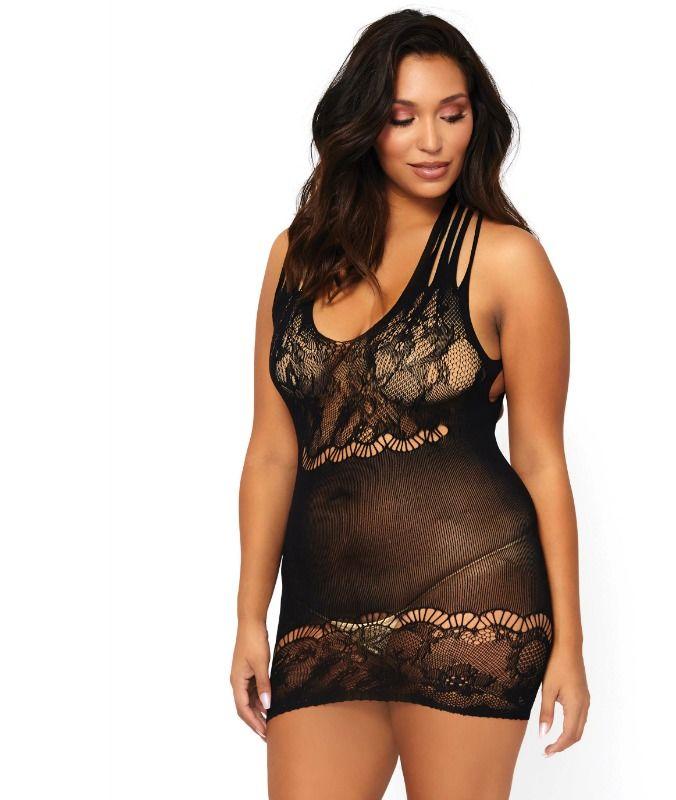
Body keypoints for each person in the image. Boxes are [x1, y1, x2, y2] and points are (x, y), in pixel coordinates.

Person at [231, 10, 590, 798]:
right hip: (321, 612)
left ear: (476, 121)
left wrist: (571, 642)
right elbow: (273, 451)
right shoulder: (295, 257)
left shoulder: (508, 259)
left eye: (452, 115)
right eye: (404, 118)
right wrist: (249, 617)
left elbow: (540, 458)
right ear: (365, 126)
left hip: (473, 597)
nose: (433, 141)